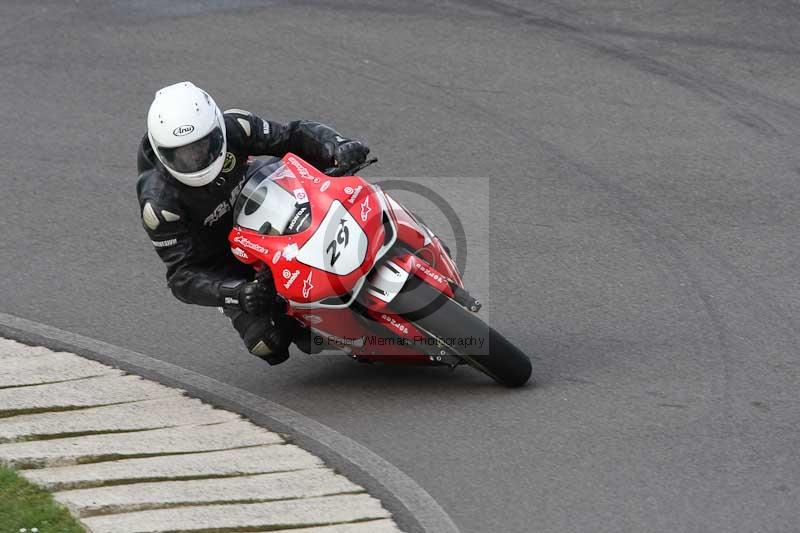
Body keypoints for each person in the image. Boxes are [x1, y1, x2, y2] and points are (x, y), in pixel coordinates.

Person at [136, 81, 369, 365]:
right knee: (268, 344)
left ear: (217, 130)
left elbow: (292, 135)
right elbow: (181, 277)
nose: (195, 159)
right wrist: (234, 293)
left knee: (335, 185)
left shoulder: (236, 127)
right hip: (222, 257)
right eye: (183, 155)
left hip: (263, 199)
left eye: (202, 146)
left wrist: (336, 145)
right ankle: (324, 327)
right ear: (163, 153)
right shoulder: (159, 204)